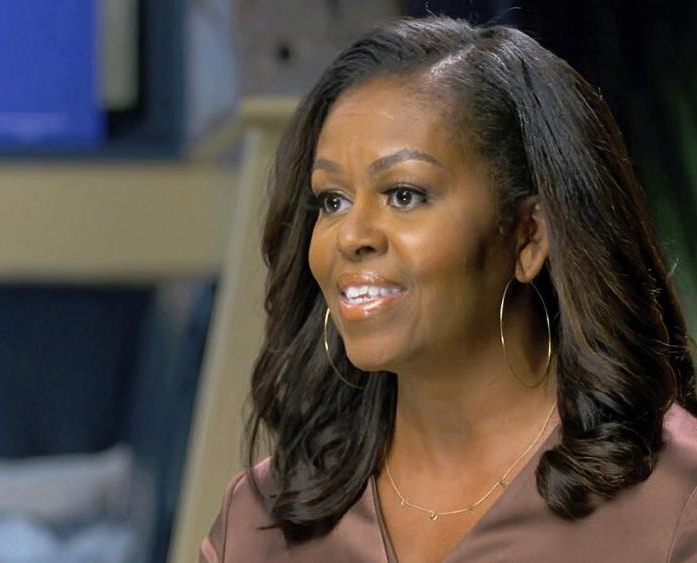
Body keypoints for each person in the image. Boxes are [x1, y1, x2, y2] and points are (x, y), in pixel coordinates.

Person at [199, 16, 697, 563]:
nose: (352, 236)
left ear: (528, 236)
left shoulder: (676, 500)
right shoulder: (261, 522)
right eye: (332, 200)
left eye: (404, 195)